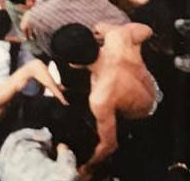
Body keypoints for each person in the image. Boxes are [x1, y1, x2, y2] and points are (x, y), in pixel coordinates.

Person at [51, 22, 159, 162]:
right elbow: (147, 30)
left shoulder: (100, 98)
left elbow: (109, 145)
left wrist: (87, 168)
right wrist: (110, 29)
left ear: (74, 65)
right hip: (156, 89)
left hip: (145, 116)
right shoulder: (117, 36)